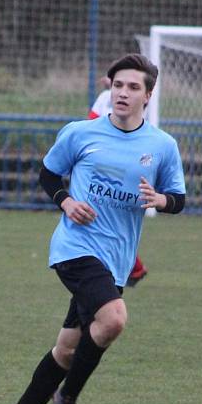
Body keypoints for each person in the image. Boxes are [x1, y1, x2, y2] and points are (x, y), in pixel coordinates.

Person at [0, 54, 186, 404]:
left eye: (133, 87)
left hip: (115, 259)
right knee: (114, 318)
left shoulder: (161, 146)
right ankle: (67, 400)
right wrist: (65, 202)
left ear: (148, 96)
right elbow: (48, 174)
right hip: (75, 248)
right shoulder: (80, 133)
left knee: (67, 349)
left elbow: (180, 199)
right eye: (118, 85)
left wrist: (161, 200)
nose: (122, 93)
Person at [88, 75, 149, 286]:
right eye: (118, 82)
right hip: (104, 164)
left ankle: (132, 268)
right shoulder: (106, 98)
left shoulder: (134, 103)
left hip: (117, 167)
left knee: (106, 222)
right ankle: (133, 268)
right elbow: (91, 123)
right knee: (106, 222)